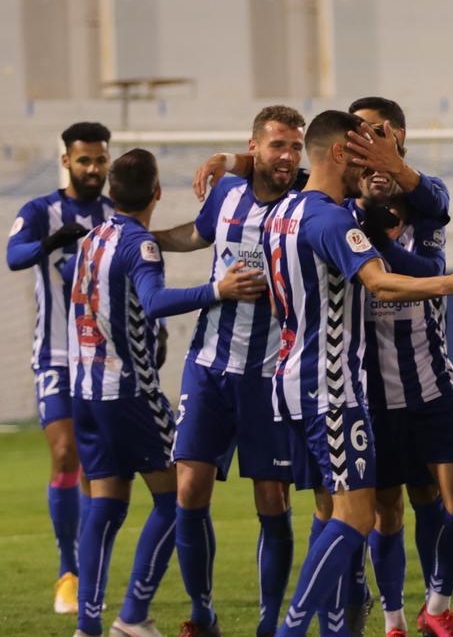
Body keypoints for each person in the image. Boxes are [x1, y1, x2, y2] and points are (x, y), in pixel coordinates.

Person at [264, 110, 453, 637]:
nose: (365, 163)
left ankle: (336, 626)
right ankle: (293, 627)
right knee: (354, 519)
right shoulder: (332, 220)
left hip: (293, 379)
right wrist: (450, 286)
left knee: (341, 517)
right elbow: (379, 281)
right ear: (338, 154)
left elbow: (406, 240)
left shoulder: (280, 213)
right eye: (358, 152)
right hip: (332, 384)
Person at [67, 148, 266, 637]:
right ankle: (133, 617)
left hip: (84, 391)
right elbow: (154, 303)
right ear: (157, 193)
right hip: (128, 392)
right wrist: (217, 290)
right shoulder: (141, 245)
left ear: (112, 194)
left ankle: (87, 625)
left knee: (107, 503)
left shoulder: (93, 238)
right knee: (175, 501)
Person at [149, 105, 311, 637]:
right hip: (210, 365)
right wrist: (142, 239)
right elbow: (196, 235)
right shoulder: (226, 194)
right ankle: (202, 613)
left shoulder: (308, 202)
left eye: (295, 146)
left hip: (271, 373)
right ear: (256, 147)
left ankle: (268, 623)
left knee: (272, 498)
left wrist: (229, 157)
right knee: (189, 488)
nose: (287, 156)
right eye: (277, 146)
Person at [341, 96, 453, 637]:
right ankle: (395, 619)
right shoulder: (336, 207)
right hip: (368, 393)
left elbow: (427, 269)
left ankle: (438, 603)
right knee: (388, 510)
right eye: (358, 135)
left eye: (377, 133)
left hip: (432, 385)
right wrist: (234, 161)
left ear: (398, 134)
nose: (368, 143)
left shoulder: (427, 201)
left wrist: (377, 239)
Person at [6, 121, 115, 615]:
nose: (94, 168)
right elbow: (14, 256)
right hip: (54, 353)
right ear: (67, 161)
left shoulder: (117, 214)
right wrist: (50, 244)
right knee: (66, 453)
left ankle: (90, 571)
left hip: (104, 356)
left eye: (100, 159)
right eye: (84, 160)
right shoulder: (40, 211)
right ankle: (67, 571)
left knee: (100, 466)